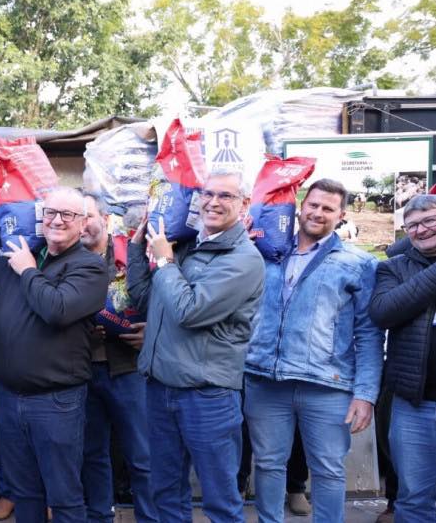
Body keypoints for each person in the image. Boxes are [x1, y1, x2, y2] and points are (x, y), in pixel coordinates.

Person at [127, 169, 265, 523]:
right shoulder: (187, 246)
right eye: (208, 193)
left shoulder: (244, 259)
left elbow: (190, 312)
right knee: (166, 492)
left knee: (219, 498)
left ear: (244, 204)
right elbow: (145, 299)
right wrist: (137, 249)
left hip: (207, 395)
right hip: (161, 388)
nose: (213, 202)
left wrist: (164, 261)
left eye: (225, 196)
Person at [244, 178, 384, 523]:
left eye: (328, 208)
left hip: (327, 384)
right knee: (267, 465)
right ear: (301, 206)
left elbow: (368, 333)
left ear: (342, 215)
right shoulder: (267, 250)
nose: (318, 212)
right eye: (313, 204)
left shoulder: (359, 263)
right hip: (265, 379)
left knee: (328, 471)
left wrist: (365, 394)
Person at [0, 187, 109, 523]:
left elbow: (57, 310)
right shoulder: (20, 254)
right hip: (8, 397)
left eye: (68, 215)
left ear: (82, 224)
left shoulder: (89, 267)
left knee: (63, 497)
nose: (57, 220)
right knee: (25, 492)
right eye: (50, 212)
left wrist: (28, 271)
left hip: (56, 402)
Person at [79, 192, 157, 523]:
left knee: (142, 455)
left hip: (128, 369)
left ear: (104, 218)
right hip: (82, 371)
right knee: (92, 453)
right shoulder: (64, 258)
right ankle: (99, 516)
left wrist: (150, 335)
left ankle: (150, 517)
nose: (81, 225)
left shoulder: (132, 253)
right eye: (74, 217)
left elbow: (164, 299)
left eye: (87, 217)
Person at [369, 194, 436, 521]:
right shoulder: (393, 267)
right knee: (413, 499)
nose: (421, 230)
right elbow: (383, 312)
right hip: (416, 405)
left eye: (429, 221)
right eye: (412, 226)